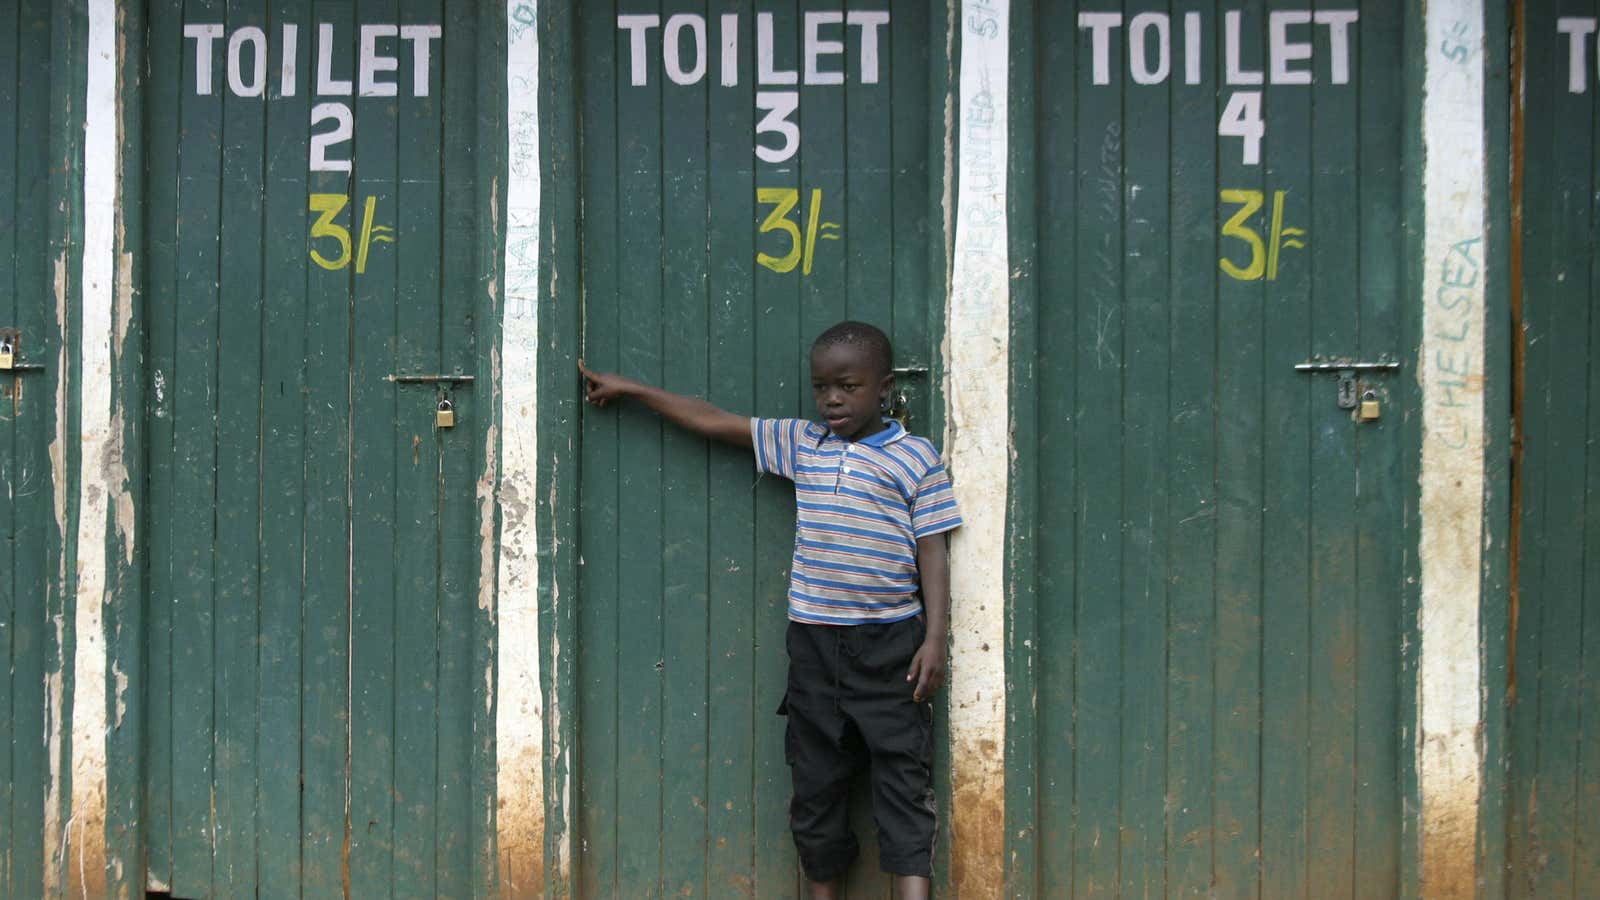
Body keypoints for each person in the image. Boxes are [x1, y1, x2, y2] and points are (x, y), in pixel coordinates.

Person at [578, 320, 962, 899]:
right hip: (815, 648)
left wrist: (935, 639)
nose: (832, 398)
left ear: (882, 387)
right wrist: (633, 390)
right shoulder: (803, 444)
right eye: (821, 387)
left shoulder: (916, 457)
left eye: (849, 386)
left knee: (903, 784)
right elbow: (712, 420)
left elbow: (932, 549)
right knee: (817, 789)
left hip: (893, 649)